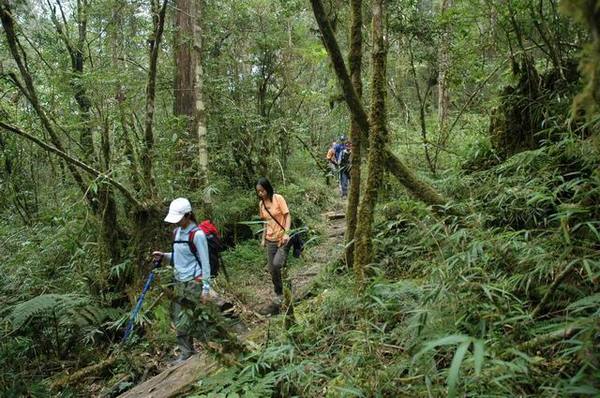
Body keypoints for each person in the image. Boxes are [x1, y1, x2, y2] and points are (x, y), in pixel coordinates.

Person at [152, 197, 211, 364]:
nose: (176, 223)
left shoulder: (197, 235)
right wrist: (164, 257)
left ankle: (212, 349)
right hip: (179, 281)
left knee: (198, 317)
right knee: (179, 319)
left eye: (179, 219)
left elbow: (205, 262)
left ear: (188, 215)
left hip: (194, 282)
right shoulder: (176, 233)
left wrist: (206, 288)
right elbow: (178, 258)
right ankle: (186, 353)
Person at [256, 177, 291, 315]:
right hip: (270, 240)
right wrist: (263, 238)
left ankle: (287, 290)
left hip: (282, 238)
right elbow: (266, 222)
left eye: (262, 191)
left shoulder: (278, 198)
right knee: (272, 269)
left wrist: (287, 233)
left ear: (268, 188)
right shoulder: (261, 204)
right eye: (258, 192)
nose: (260, 194)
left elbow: (287, 216)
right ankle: (279, 293)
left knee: (277, 264)